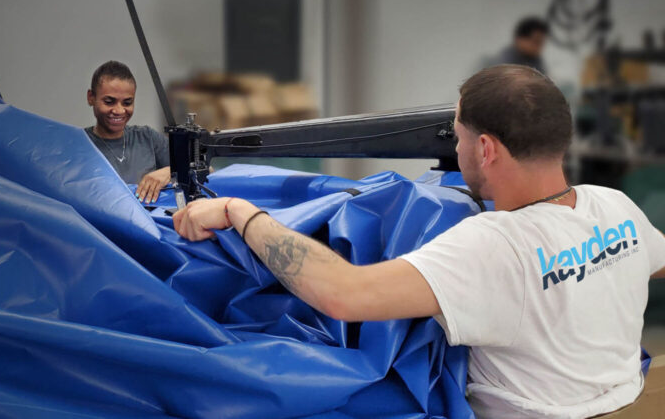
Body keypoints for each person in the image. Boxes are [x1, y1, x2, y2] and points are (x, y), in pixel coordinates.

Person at [173, 64, 665, 418]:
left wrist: (239, 211)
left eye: (457, 138)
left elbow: (344, 294)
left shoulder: (494, 245)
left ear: (487, 148)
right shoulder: (613, 205)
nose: (454, 148)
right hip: (628, 399)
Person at [85, 60, 170, 203]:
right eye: (109, 101)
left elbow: (206, 171)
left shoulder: (147, 138)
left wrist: (170, 172)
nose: (119, 110)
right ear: (91, 98)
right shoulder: (80, 145)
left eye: (127, 103)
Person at [485, 16, 549, 75]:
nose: (540, 46)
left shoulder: (536, 61)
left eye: (542, 42)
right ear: (519, 39)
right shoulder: (503, 63)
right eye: (536, 42)